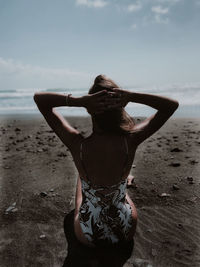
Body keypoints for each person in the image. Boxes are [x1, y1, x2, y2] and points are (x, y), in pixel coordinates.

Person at [34, 74, 179, 264]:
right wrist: (132, 96)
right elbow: (171, 105)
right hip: (126, 230)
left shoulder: (78, 144)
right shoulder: (130, 140)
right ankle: (119, 183)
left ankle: (105, 187)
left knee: (83, 183)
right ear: (120, 109)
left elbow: (40, 99)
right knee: (117, 189)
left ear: (91, 110)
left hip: (87, 235)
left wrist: (78, 101)